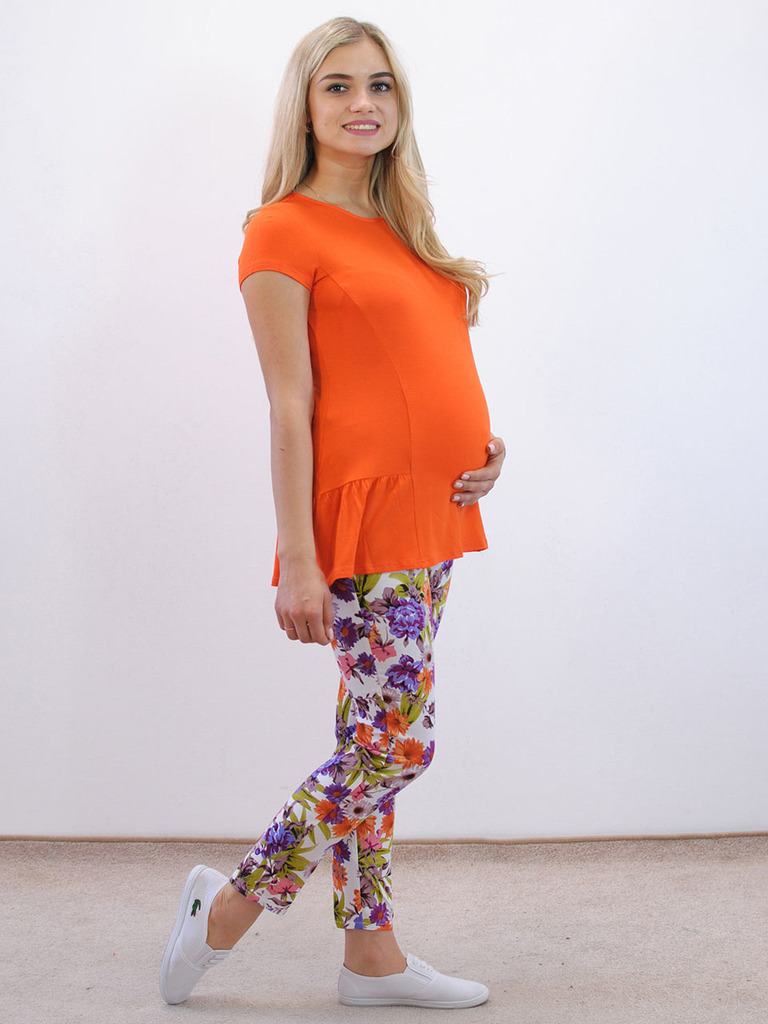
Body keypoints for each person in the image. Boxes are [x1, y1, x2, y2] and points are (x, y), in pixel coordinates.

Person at [159, 16, 505, 1010]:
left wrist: (482, 445)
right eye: (340, 86)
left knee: (368, 739)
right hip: (362, 526)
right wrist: (300, 558)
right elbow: (291, 403)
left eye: (380, 85)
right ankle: (230, 906)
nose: (364, 104)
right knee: (399, 743)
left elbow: (412, 370)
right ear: (305, 106)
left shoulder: (402, 226)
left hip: (432, 514)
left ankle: (370, 957)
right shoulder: (281, 229)